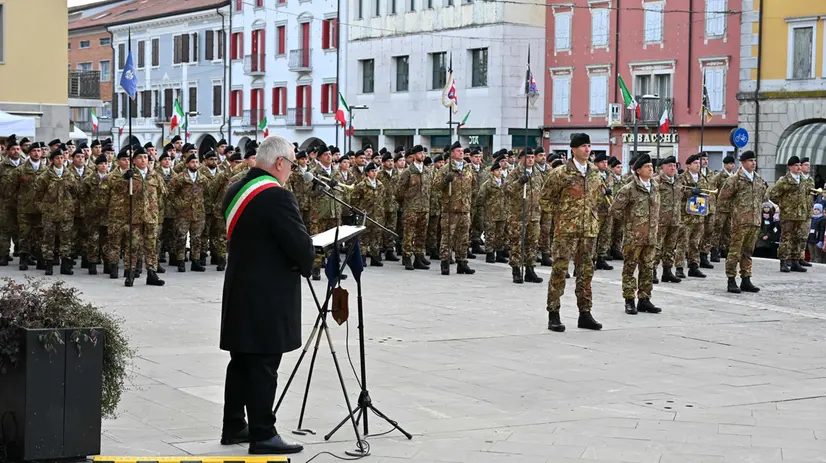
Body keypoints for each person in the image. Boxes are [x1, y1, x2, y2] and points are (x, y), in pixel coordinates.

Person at [220, 135, 313, 455]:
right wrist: (311, 257)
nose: (291, 171)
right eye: (292, 165)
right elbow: (301, 248)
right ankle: (263, 433)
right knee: (263, 362)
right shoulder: (276, 196)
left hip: (241, 288)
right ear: (279, 163)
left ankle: (233, 424)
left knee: (242, 360)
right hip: (267, 295)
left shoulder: (236, 189)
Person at [541, 133, 604, 332]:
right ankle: (554, 313)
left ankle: (585, 313)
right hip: (566, 231)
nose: (587, 149)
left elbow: (599, 197)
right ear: (574, 149)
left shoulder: (595, 172)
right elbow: (545, 200)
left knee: (586, 272)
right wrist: (563, 214)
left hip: (588, 230)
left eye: (589, 145)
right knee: (560, 271)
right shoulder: (560, 173)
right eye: (583, 146)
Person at [611, 154, 661, 314]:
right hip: (634, 237)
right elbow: (615, 210)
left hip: (651, 236)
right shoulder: (628, 189)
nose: (650, 169)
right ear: (638, 170)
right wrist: (630, 222)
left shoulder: (655, 186)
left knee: (647, 268)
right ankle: (629, 300)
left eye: (651, 166)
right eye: (647, 167)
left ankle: (645, 299)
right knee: (630, 269)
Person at [717, 150, 766, 293]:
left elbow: (762, 197)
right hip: (739, 222)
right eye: (751, 161)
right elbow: (722, 199)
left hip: (754, 222)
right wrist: (731, 215)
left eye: (754, 160)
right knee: (734, 252)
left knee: (748, 252)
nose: (754, 163)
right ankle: (731, 279)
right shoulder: (734, 179)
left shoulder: (758, 179)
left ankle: (746, 279)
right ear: (743, 162)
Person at [769, 156, 810, 273]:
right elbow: (773, 195)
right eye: (796, 165)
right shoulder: (784, 180)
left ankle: (795, 261)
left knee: (798, 237)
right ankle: (783, 261)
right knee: (786, 238)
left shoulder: (803, 179)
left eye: (799, 165)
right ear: (790, 167)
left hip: (801, 214)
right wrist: (783, 205)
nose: (798, 167)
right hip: (788, 214)